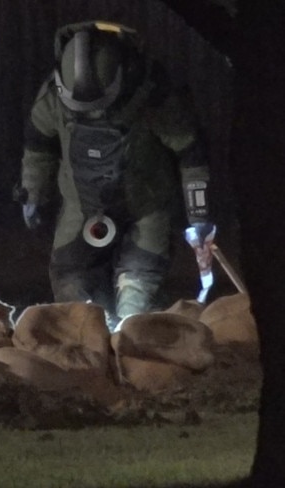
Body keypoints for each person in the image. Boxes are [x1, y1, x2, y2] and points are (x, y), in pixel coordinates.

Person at [16, 20, 215, 330]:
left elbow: (191, 153)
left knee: (135, 308)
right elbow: (38, 148)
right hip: (82, 209)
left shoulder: (155, 97)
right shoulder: (53, 98)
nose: (93, 114)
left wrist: (198, 213)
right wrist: (33, 194)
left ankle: (130, 342)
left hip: (146, 208)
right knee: (73, 300)